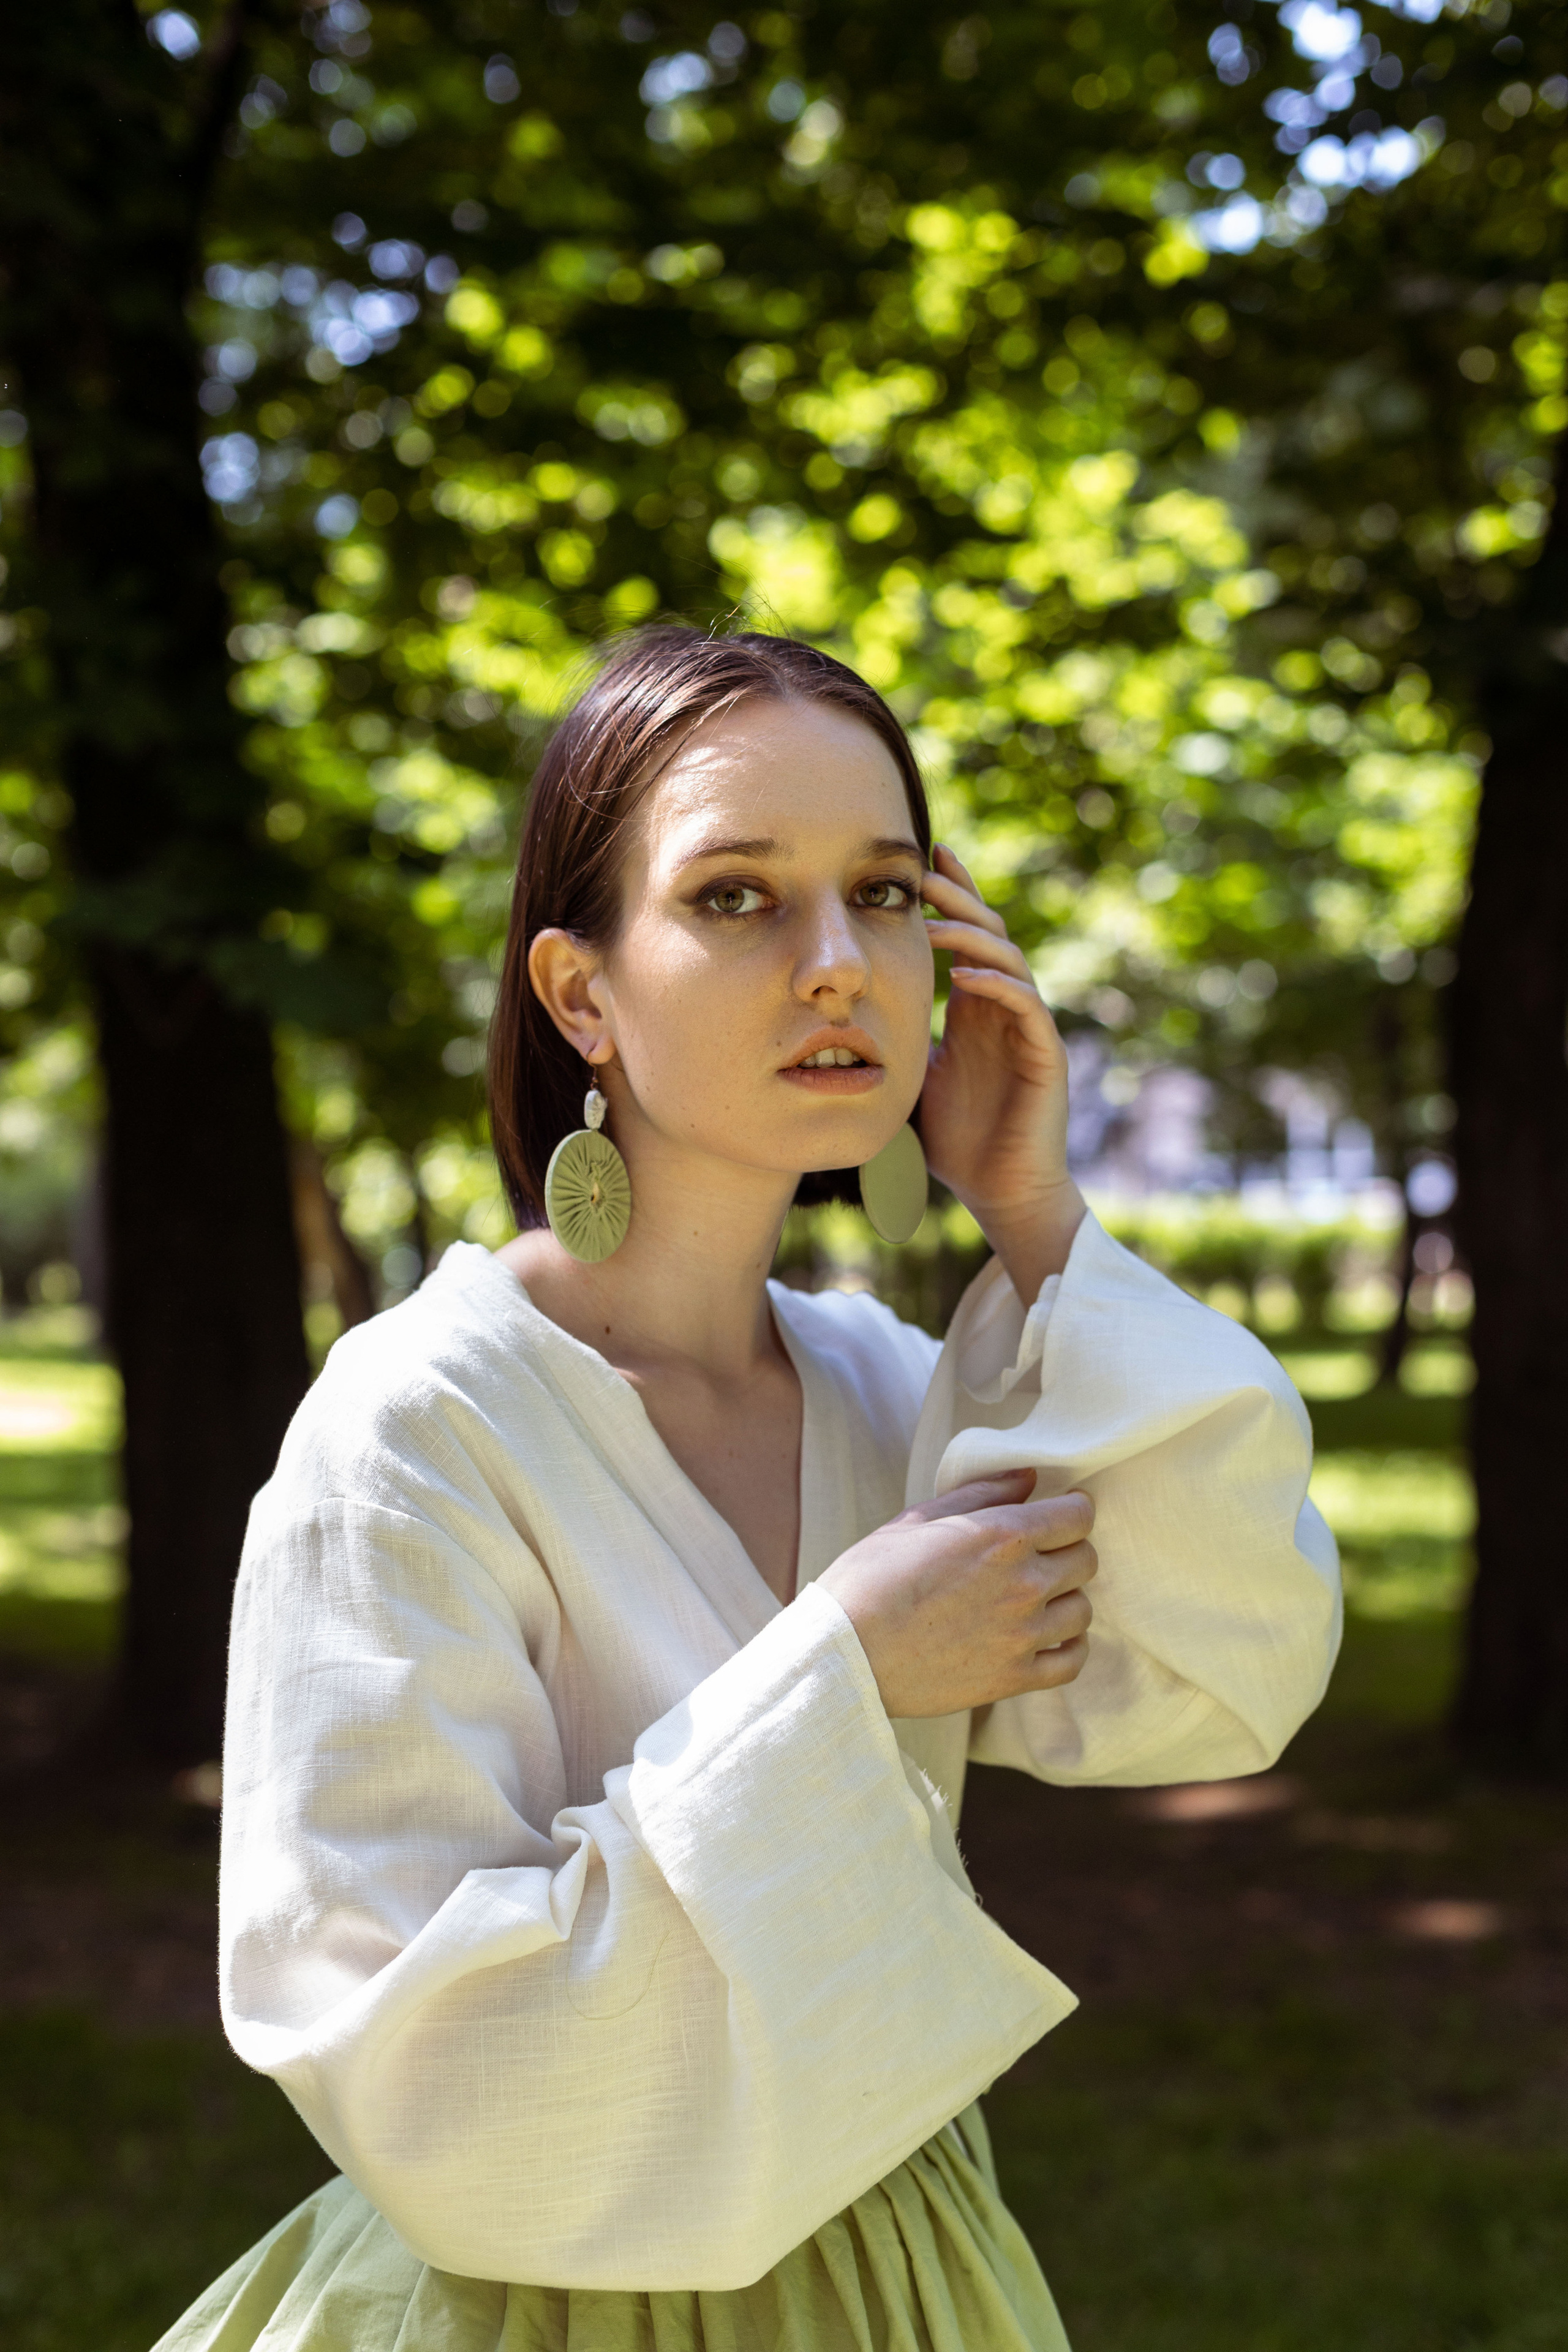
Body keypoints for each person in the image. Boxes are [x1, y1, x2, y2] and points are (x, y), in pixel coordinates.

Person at [153, 628, 1340, 2352]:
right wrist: (847, 1678)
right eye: (736, 898)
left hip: (908, 2282)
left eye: (885, 891)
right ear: (581, 994)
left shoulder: (879, 1382)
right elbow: (413, 2071)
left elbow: (1223, 1674)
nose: (839, 964)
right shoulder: (420, 1425)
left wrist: (1035, 1214)